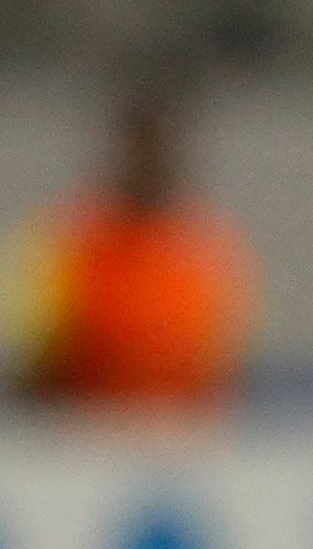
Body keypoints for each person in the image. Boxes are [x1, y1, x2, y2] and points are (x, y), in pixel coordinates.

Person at [14, 83, 251, 414]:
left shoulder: (207, 243)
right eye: (141, 145)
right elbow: (35, 363)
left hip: (182, 433)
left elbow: (224, 367)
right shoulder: (71, 237)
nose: (151, 159)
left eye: (160, 146)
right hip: (82, 432)